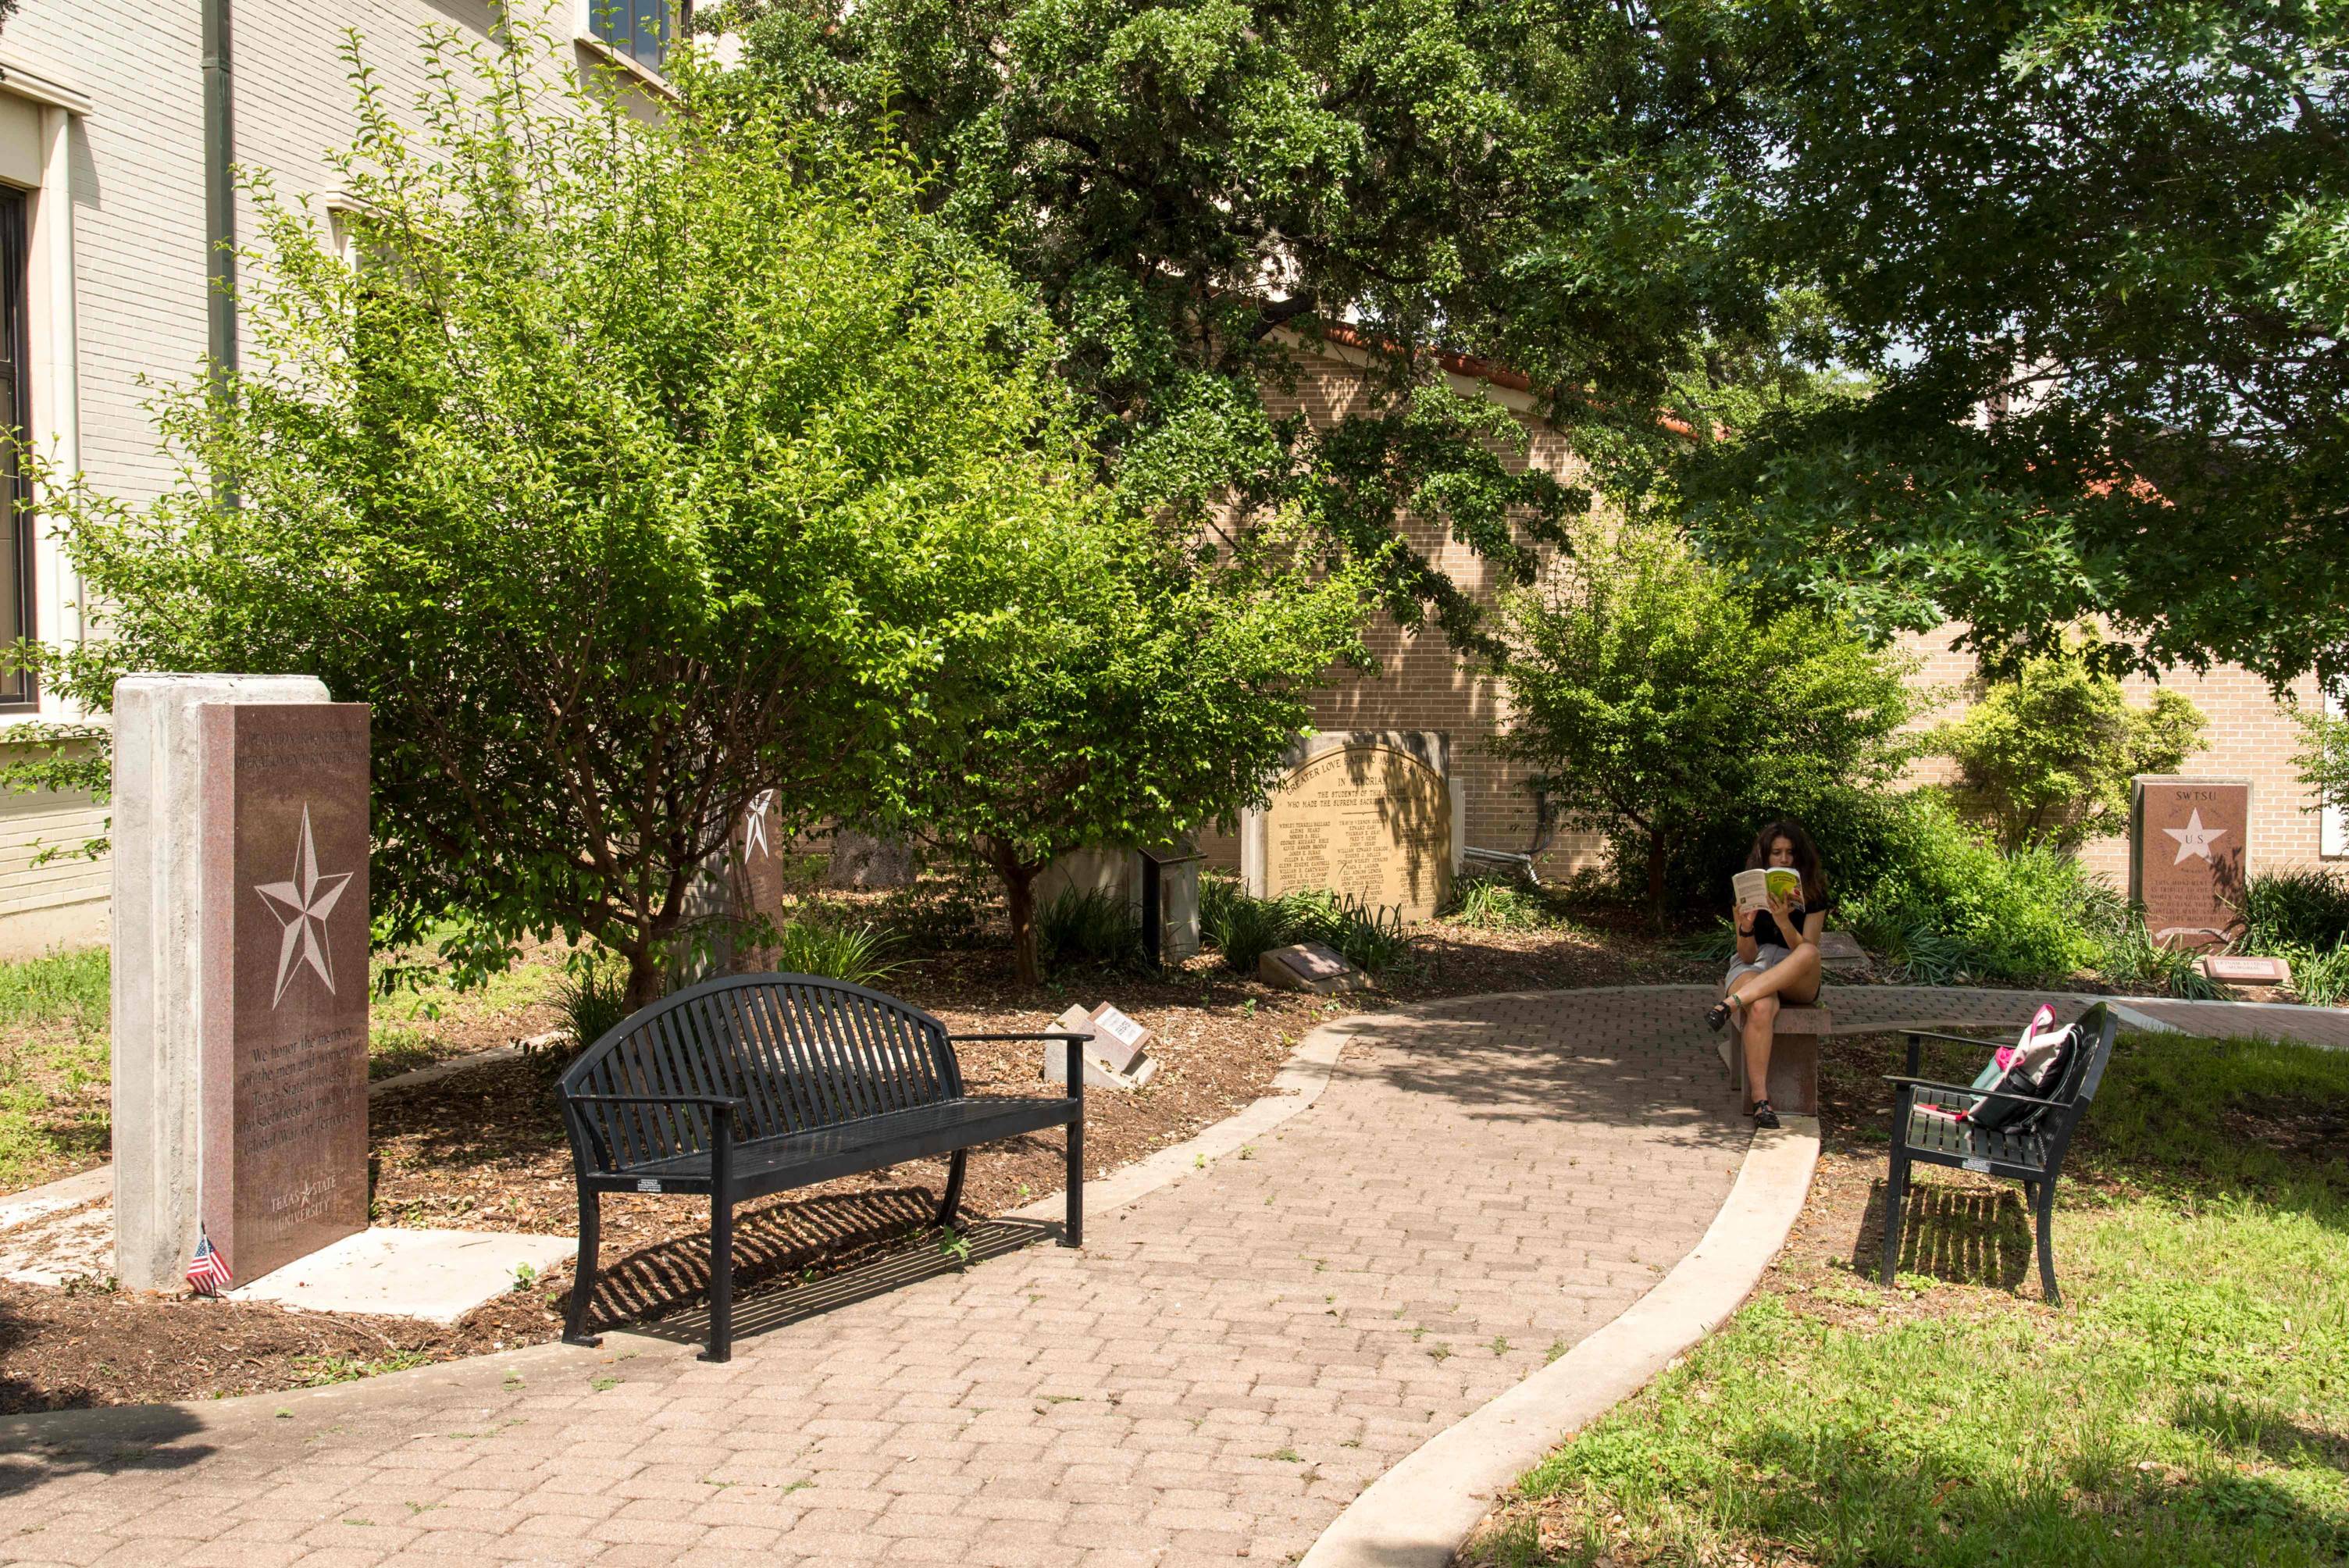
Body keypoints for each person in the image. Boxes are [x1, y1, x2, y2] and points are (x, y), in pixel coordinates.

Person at [1704, 820, 1833, 1128]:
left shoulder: (1814, 895)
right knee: (1761, 1006)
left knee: (1809, 952)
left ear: (1799, 856)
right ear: (1766, 857)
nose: (1784, 859)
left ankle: (1730, 1003)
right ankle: (1761, 1103)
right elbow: (1747, 955)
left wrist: (1784, 921)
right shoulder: (1748, 892)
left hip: (1796, 970)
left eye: (1790, 853)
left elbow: (1807, 953)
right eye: (1777, 853)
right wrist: (1746, 925)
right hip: (1756, 964)